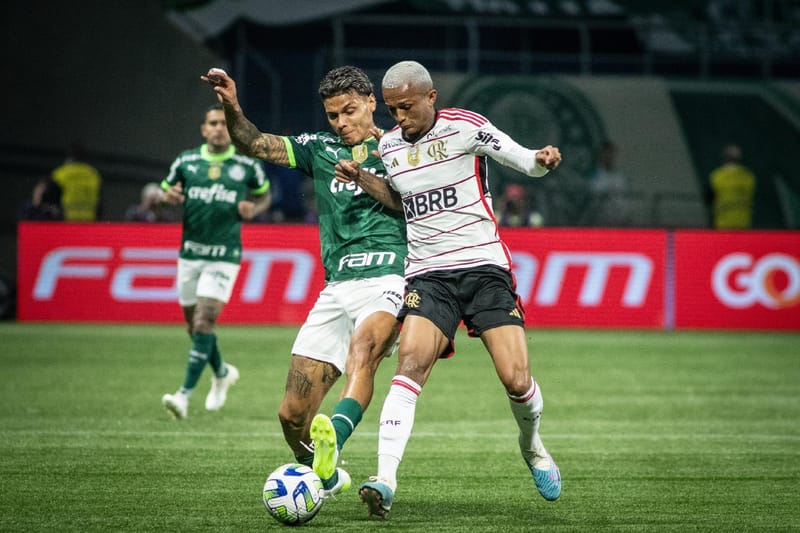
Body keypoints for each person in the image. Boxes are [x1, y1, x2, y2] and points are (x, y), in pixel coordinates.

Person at [334, 60, 563, 519]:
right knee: (410, 365)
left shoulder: (466, 128)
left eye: (407, 107)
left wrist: (539, 160)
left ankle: (532, 445)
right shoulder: (391, 148)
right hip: (428, 275)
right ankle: (385, 478)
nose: (399, 117)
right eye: (394, 109)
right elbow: (402, 202)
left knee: (516, 380)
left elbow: (521, 158)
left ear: (431, 97)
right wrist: (363, 177)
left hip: (484, 270)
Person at [203, 66, 407, 499]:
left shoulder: (400, 149)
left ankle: (335, 431)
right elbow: (256, 143)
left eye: (349, 111)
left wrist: (360, 177)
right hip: (336, 288)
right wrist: (233, 106)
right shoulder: (320, 148)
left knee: (363, 353)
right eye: (333, 115)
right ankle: (327, 477)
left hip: (388, 277)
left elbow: (401, 200)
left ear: (372, 102)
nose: (341, 122)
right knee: (292, 414)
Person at [160, 103, 271, 420]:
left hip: (224, 256)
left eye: (224, 122)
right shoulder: (187, 161)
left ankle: (183, 396)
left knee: (205, 322)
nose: (220, 127)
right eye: (213, 122)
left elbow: (264, 195)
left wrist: (255, 208)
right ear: (204, 129)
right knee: (194, 327)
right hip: (190, 254)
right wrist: (167, 197)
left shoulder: (244, 165)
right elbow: (166, 190)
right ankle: (222, 372)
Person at [708, 143, 756, 229]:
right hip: (739, 221)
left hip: (728, 222)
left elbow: (709, 199)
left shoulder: (716, 176)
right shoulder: (748, 176)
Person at [51, 143, 102, 221]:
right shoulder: (92, 174)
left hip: (65, 219)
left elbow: (52, 201)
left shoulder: (60, 174)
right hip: (89, 220)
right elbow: (99, 201)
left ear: (68, 156)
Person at [586, 140, 631, 227]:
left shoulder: (620, 178)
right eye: (605, 154)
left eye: (610, 154)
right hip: (600, 223)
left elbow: (625, 199)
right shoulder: (595, 177)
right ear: (600, 155)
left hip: (620, 223)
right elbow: (593, 200)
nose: (607, 157)